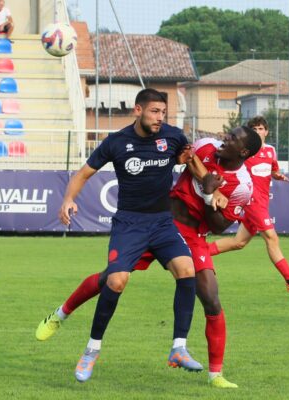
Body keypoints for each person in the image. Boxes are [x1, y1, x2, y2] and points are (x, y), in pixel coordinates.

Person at [37, 127, 264, 389]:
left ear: (244, 151)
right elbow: (186, 158)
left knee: (211, 297)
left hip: (192, 235)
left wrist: (209, 193)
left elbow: (219, 226)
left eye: (233, 139)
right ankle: (60, 314)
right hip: (158, 222)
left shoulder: (243, 186)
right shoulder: (205, 147)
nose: (226, 138)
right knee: (110, 279)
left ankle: (215, 374)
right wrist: (205, 181)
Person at [56, 88, 205, 383]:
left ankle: (179, 348)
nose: (160, 118)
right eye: (154, 112)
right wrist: (68, 199)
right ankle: (91, 350)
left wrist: (203, 176)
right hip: (129, 224)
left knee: (188, 270)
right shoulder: (117, 142)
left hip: (163, 223)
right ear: (138, 110)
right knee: (116, 280)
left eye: (163, 112)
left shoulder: (174, 137)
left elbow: (190, 164)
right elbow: (83, 174)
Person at [208, 116, 289, 292]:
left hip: (263, 202)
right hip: (251, 201)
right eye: (254, 129)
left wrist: (277, 175)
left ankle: (196, 251)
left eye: (260, 129)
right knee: (272, 238)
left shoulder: (271, 151)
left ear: (266, 131)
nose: (258, 132)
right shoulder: (245, 152)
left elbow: (273, 170)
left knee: (239, 242)